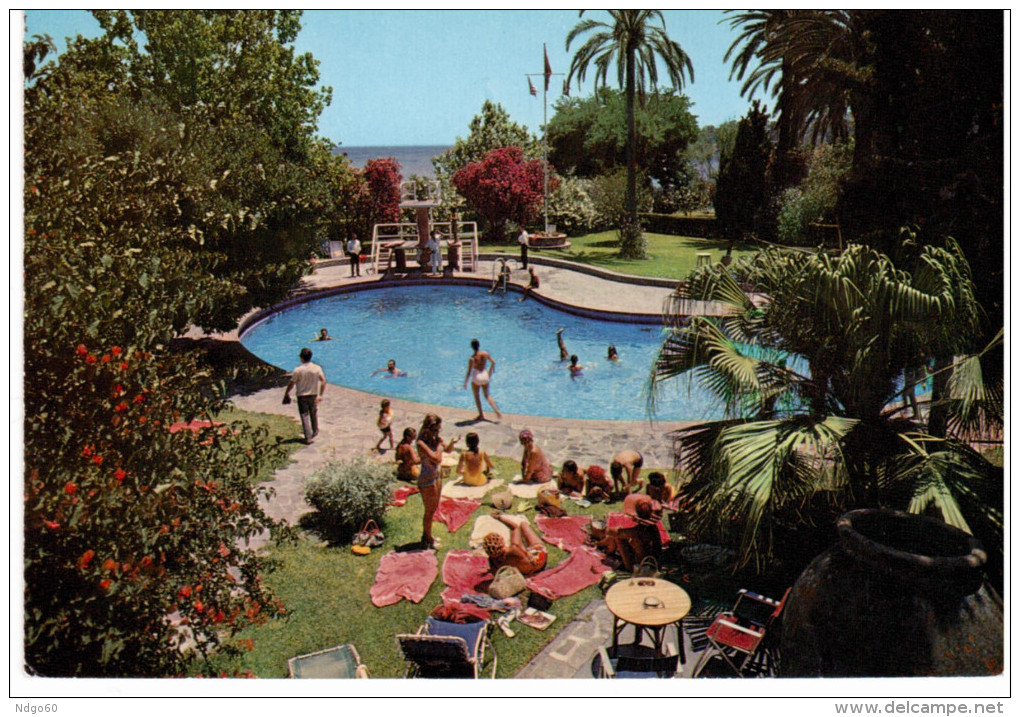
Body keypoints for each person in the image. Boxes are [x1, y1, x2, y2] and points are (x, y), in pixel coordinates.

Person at [415, 414, 460, 549]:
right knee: (429, 512)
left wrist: (452, 442)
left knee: (434, 510)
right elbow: (437, 458)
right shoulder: (420, 443)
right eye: (436, 430)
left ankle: (428, 537)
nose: (438, 433)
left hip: (436, 477)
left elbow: (448, 449)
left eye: (439, 430)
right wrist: (440, 445)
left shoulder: (434, 439)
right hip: (426, 480)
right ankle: (427, 539)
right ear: (428, 428)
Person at [595, 493, 663, 572]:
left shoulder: (638, 532)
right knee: (620, 535)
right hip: (651, 560)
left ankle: (614, 555)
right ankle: (607, 548)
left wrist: (604, 535)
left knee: (618, 536)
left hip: (642, 567)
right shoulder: (651, 528)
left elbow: (612, 532)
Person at [282, 347, 326, 445]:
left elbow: (292, 383)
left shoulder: (298, 370)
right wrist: (321, 395)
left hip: (302, 395)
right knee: (313, 413)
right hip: (313, 394)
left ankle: (308, 437)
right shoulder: (317, 368)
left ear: (301, 357)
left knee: (304, 415)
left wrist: (287, 393)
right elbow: (323, 381)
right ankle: (315, 431)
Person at [482, 514, 547, 576]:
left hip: (522, 571)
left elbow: (495, 573)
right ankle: (523, 525)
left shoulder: (493, 560)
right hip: (536, 564)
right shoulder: (514, 549)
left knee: (521, 548)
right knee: (523, 525)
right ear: (502, 541)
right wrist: (499, 517)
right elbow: (514, 527)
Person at [463, 339, 501, 421]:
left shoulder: (472, 359)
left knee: (477, 396)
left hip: (477, 376)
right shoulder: (485, 353)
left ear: (472, 347)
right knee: (487, 395)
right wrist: (490, 372)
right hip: (485, 375)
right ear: (479, 345)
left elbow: (469, 372)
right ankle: (496, 410)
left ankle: (481, 415)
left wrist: (465, 382)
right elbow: (493, 362)